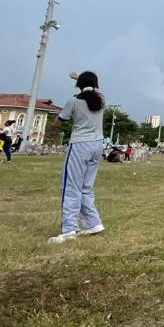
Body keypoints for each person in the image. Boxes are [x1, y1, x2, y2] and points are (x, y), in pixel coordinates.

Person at [49, 71, 106, 244]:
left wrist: (56, 124)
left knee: (71, 187)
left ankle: (68, 230)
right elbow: (93, 91)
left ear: (79, 85)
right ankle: (92, 223)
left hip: (80, 145)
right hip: (97, 145)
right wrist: (80, 79)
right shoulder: (101, 100)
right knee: (86, 187)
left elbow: (60, 121)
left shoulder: (73, 101)